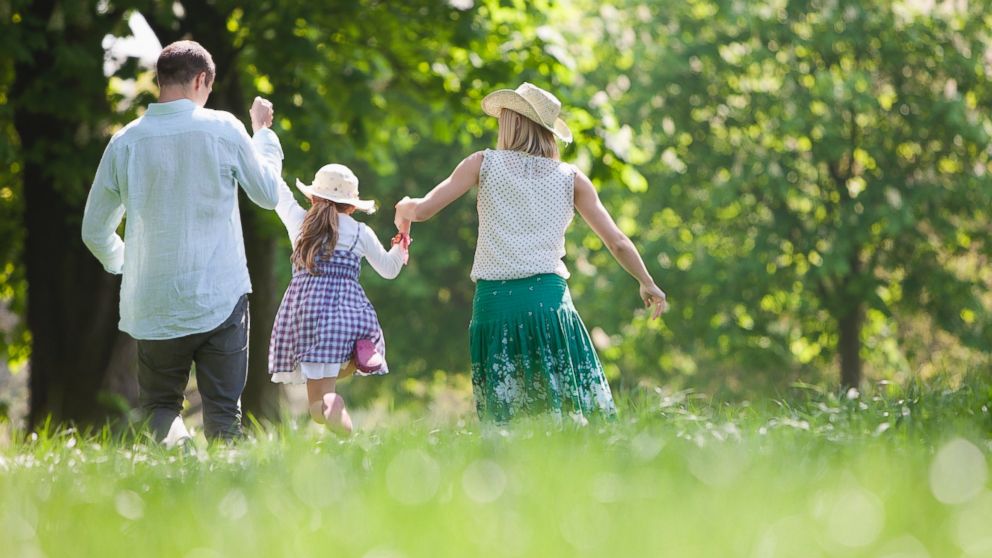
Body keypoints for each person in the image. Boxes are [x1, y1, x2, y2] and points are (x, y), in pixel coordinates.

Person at [394, 82, 667, 422]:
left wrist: (403, 209)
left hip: (496, 304)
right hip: (549, 304)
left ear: (512, 122)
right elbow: (617, 241)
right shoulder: (571, 179)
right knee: (564, 410)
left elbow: (422, 210)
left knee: (508, 419)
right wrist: (646, 281)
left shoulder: (482, 164)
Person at [81, 40, 285, 445]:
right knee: (225, 412)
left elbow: (94, 231)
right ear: (201, 79)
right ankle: (228, 498)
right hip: (219, 296)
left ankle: (179, 469)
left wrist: (127, 263)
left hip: (153, 300)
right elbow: (267, 193)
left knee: (160, 408)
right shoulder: (224, 128)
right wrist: (263, 135)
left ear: (159, 80)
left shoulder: (125, 141)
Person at [268, 164, 408, 434]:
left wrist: (263, 138)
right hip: (347, 318)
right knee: (332, 370)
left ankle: (334, 407)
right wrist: (402, 239)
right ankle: (357, 355)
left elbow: (278, 191)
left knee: (317, 407)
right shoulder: (360, 232)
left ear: (312, 198)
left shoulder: (300, 224)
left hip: (307, 318)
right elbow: (390, 270)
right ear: (352, 206)